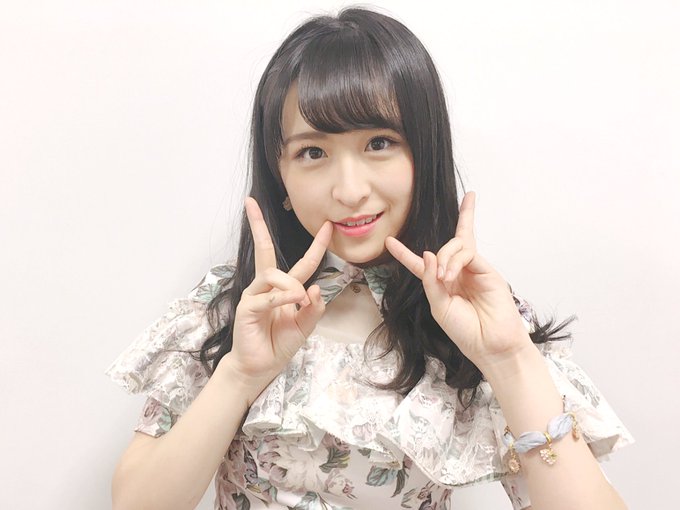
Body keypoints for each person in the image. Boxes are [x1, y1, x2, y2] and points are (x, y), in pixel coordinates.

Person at [106, 7, 633, 510]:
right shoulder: (236, 306)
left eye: (379, 143)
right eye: (313, 152)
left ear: (424, 155)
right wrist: (240, 374)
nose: (350, 190)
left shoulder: (478, 317)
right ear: (280, 173)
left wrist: (510, 360)